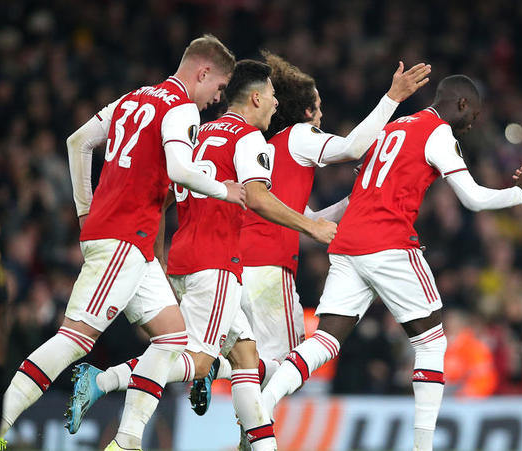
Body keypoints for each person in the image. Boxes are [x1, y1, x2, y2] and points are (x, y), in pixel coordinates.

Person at [262, 74, 522, 451]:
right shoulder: (438, 133)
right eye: (474, 115)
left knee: (326, 339)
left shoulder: (392, 127)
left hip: (348, 243)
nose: (472, 124)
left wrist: (319, 219)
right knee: (432, 343)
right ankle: (423, 447)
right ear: (462, 105)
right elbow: (474, 199)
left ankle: (263, 405)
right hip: (389, 243)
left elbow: (358, 196)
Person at [65, 59, 338, 451]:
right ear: (256, 97)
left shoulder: (199, 131)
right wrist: (312, 228)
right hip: (216, 265)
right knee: (196, 361)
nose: (277, 105)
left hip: (183, 258)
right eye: (273, 97)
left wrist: (155, 256)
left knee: (245, 356)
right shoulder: (247, 139)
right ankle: (107, 389)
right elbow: (258, 198)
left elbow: (160, 199)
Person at [0, 35, 243, 451]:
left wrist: (83, 210)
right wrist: (224, 189)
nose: (215, 101)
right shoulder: (180, 107)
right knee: (75, 339)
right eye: (218, 89)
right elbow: (182, 171)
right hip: (124, 239)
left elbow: (78, 141)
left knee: (171, 340)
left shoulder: (133, 99)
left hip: (135, 245)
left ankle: (126, 441)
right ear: (202, 73)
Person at [188, 55, 432, 417]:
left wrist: (356, 196)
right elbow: (352, 147)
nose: (321, 118)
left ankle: (232, 408)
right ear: (304, 112)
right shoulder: (300, 136)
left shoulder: (261, 150)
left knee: (252, 365)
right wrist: (392, 98)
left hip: (232, 265)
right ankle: (216, 376)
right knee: (291, 366)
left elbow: (307, 219)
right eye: (318, 110)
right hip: (269, 270)